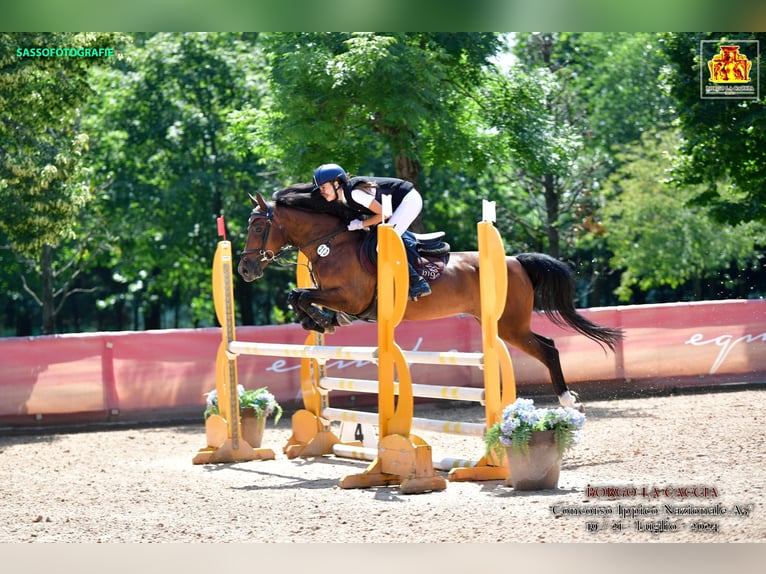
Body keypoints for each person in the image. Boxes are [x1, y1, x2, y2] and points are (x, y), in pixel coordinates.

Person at [312, 163, 431, 300]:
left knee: (382, 245)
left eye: (323, 187)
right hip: (398, 205)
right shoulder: (345, 198)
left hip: (409, 201)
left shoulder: (354, 194)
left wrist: (361, 224)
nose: (322, 192)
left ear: (336, 183)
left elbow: (384, 214)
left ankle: (418, 282)